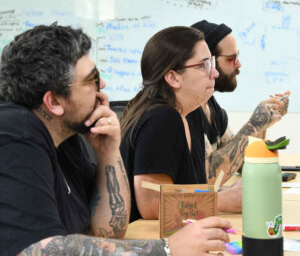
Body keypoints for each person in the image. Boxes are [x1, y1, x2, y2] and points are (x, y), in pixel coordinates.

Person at [0, 23, 232, 256]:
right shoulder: (15, 131)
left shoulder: (65, 137)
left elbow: (109, 231)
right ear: (55, 102)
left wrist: (108, 152)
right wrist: (167, 249)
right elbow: (40, 250)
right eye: (92, 79)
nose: (102, 86)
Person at [120, 25, 242, 222]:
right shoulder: (161, 119)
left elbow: (188, 188)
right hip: (147, 241)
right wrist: (223, 199)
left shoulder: (189, 113)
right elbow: (151, 205)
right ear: (173, 77)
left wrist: (231, 191)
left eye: (211, 63)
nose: (215, 74)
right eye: (203, 65)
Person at [189, 20, 289, 192]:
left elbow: (240, 161)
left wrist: (265, 120)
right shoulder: (186, 112)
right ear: (207, 62)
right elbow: (209, 177)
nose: (238, 64)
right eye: (231, 59)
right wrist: (253, 125)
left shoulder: (213, 109)